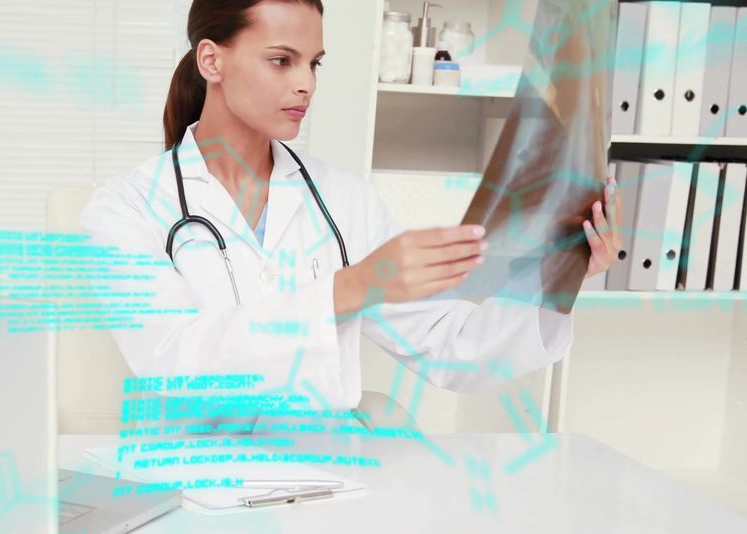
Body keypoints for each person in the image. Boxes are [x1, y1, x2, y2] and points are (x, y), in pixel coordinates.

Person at [79, 0, 620, 435]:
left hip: (329, 470)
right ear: (211, 61)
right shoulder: (125, 208)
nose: (306, 84)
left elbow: (448, 343)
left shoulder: (344, 201)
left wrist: (562, 276)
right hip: (196, 479)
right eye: (280, 60)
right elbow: (174, 363)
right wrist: (351, 286)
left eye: (313, 63)